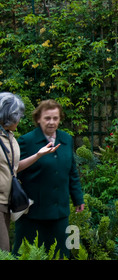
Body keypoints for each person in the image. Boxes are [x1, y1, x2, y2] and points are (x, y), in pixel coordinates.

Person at [13, 99, 84, 258]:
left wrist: (78, 198)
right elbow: (14, 170)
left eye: (55, 118)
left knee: (60, 254)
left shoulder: (66, 139)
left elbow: (72, 171)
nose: (51, 122)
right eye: (47, 118)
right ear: (38, 119)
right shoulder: (26, 141)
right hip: (32, 213)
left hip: (59, 212)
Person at [0, 93, 59, 252]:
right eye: (17, 116)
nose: (19, 119)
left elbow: (14, 168)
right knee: (4, 250)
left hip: (7, 201)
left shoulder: (9, 136)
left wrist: (38, 155)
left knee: (5, 249)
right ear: (9, 116)